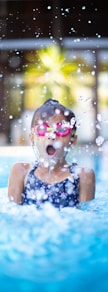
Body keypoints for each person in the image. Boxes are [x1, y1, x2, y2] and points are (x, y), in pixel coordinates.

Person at [8, 98, 95, 209]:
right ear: (32, 138)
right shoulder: (21, 171)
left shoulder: (83, 175)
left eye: (62, 129)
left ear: (72, 140)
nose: (51, 135)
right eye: (42, 129)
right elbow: (13, 216)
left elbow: (86, 220)